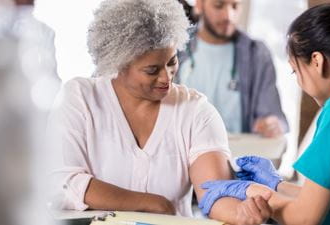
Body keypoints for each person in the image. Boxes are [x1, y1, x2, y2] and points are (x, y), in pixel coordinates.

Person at [47, 0, 272, 224]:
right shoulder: (80, 98)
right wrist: (151, 203)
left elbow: (215, 193)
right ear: (118, 64)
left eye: (171, 61)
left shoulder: (195, 111)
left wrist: (241, 213)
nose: (166, 77)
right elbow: (61, 183)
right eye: (152, 70)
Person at [196, 4, 330, 224]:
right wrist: (276, 184)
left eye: (295, 70)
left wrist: (252, 192)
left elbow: (304, 217)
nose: (299, 81)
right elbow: (325, 196)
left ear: (317, 62)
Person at [176, 0, 288, 137]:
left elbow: (273, 115)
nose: (229, 16)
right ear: (199, 4)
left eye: (235, 6)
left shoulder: (256, 54)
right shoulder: (175, 48)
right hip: (184, 153)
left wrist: (273, 125)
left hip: (235, 154)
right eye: (219, 6)